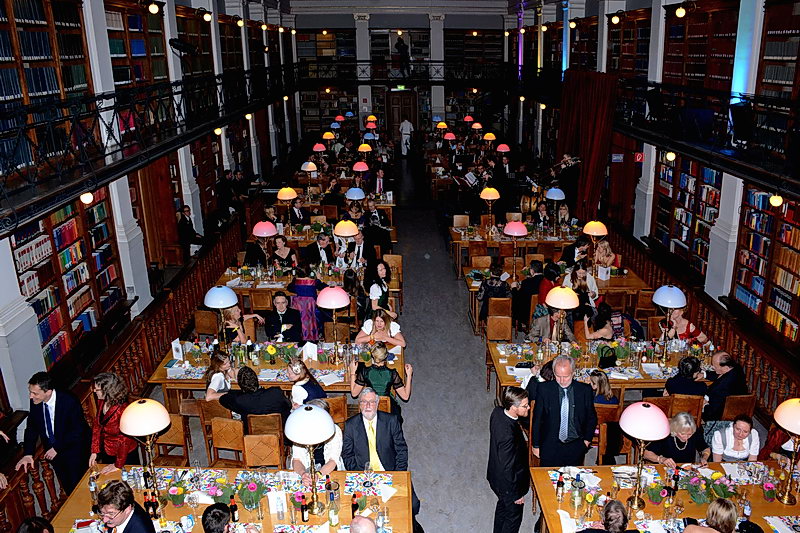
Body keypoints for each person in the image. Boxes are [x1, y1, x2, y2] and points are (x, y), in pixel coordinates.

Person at [341, 388, 422, 523]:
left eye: (372, 402)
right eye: (364, 402)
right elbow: (347, 455)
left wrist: (397, 475)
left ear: (377, 404)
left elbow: (401, 450)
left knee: (412, 505)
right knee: (355, 509)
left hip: (390, 471)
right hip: (364, 474)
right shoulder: (350, 425)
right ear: (359, 404)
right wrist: (360, 475)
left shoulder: (391, 421)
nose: (368, 406)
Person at [16, 372, 90, 494]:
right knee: (69, 487)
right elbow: (31, 428)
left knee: (81, 487)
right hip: (54, 455)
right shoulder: (36, 401)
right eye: (30, 392)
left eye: (35, 393)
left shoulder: (69, 401)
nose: (31, 396)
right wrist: (28, 453)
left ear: (48, 392)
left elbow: (77, 430)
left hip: (74, 450)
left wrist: (57, 448)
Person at [531, 355, 597, 467]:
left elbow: (591, 417)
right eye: (558, 376)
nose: (562, 380)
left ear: (573, 373)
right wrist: (536, 445)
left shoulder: (584, 390)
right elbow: (537, 419)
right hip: (550, 444)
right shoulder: (544, 389)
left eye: (566, 376)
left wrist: (586, 440)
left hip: (575, 444)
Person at [487, 386, 530, 533]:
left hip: (496, 478)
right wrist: (515, 495)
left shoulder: (498, 412)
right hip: (508, 485)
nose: (528, 407)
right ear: (513, 407)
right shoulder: (508, 435)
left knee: (503, 508)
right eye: (525, 406)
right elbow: (507, 466)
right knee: (513, 518)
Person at [89, 372, 138, 474]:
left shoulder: (122, 410)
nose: (94, 391)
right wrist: (94, 451)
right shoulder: (102, 401)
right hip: (107, 449)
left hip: (125, 453)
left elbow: (125, 440)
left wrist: (118, 464)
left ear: (107, 391)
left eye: (97, 389)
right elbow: (97, 426)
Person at [349, 343, 412, 418]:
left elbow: (354, 394)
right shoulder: (392, 373)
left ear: (372, 355)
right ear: (386, 356)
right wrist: (409, 375)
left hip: (370, 405)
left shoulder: (365, 371)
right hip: (389, 408)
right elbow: (405, 396)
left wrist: (353, 372)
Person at [291, 399, 344, 484]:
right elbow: (297, 460)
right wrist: (303, 474)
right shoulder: (299, 429)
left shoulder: (335, 430)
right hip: (305, 472)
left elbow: (333, 460)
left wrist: (318, 475)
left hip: (328, 471)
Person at [219, 366, 291, 428]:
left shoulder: (240, 400)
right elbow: (289, 406)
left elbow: (222, 399)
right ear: (256, 379)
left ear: (240, 384)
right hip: (279, 433)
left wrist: (238, 393)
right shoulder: (276, 393)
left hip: (251, 436)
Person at [644, 412, 710, 467]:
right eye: (683, 434)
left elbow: (705, 448)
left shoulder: (694, 431)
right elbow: (645, 453)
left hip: (688, 468)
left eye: (689, 434)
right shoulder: (666, 434)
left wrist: (704, 458)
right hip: (667, 468)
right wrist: (662, 459)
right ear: (675, 429)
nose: (686, 437)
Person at [701, 352, 748, 421]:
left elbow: (710, 416)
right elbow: (720, 373)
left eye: (715, 366)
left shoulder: (720, 389)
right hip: (739, 401)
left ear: (725, 368)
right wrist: (704, 374)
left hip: (722, 413)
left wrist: (704, 405)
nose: (712, 367)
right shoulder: (736, 367)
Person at [287, 265, 329, 340]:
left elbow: (289, 288)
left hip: (299, 309)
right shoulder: (314, 282)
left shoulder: (295, 281)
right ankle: (317, 334)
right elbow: (325, 287)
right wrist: (319, 279)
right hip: (312, 309)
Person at [511, 259, 543, 329]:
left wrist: (514, 288)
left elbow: (518, 298)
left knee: (515, 300)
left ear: (532, 270)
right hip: (543, 310)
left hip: (528, 313)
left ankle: (519, 323)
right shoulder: (546, 281)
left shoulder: (527, 282)